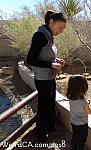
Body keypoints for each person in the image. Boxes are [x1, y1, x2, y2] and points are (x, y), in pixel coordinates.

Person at [26, 10, 66, 142]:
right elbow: (31, 60)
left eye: (63, 29)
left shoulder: (49, 35)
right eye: (60, 27)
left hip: (49, 77)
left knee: (50, 103)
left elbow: (46, 55)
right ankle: (40, 135)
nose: (61, 31)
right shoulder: (40, 36)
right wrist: (51, 65)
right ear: (51, 22)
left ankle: (50, 127)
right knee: (43, 106)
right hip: (42, 79)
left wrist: (57, 60)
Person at [66, 75, 91, 150]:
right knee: (82, 141)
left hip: (73, 122)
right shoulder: (84, 102)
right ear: (82, 87)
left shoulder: (70, 97)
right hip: (82, 124)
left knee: (75, 137)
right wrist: (88, 104)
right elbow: (89, 112)